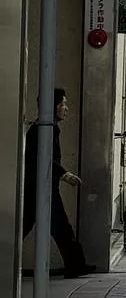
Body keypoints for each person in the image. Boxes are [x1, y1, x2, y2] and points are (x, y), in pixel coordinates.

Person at [23, 86, 90, 279]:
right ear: (52, 107)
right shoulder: (42, 130)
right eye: (62, 104)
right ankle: (77, 265)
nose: (66, 108)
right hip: (39, 188)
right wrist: (63, 174)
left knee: (59, 227)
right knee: (59, 227)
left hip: (41, 187)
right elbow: (42, 157)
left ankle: (77, 265)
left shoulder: (48, 128)